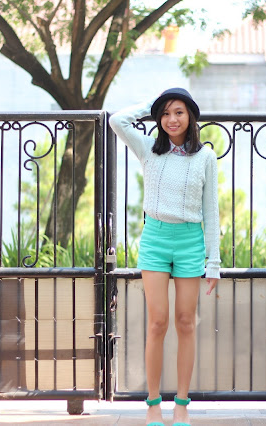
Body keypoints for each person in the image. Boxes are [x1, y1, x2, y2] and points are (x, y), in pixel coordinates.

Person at [109, 88, 220, 426]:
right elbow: (117, 121)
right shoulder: (148, 149)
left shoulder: (205, 157)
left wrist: (213, 262)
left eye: (179, 112)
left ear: (191, 117)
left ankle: (182, 404)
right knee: (157, 323)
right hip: (155, 239)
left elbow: (211, 211)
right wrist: (151, 105)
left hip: (189, 241)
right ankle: (153, 404)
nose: (172, 119)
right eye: (166, 113)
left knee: (185, 322)